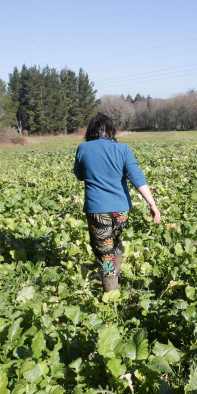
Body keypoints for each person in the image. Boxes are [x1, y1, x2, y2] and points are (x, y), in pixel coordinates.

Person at [73, 113, 160, 291]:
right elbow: (137, 177)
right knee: (116, 241)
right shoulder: (123, 149)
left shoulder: (83, 148)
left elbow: (80, 176)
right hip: (121, 211)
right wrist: (152, 204)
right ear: (111, 129)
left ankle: (111, 297)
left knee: (105, 253)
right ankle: (115, 279)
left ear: (91, 131)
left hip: (97, 210)